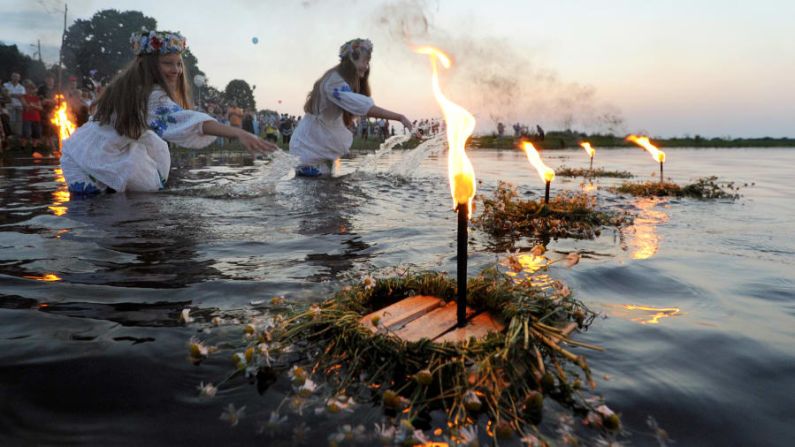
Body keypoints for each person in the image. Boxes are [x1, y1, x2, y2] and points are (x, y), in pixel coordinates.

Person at [60, 30, 276, 195]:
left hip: (84, 151)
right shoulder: (149, 95)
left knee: (109, 210)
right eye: (168, 63)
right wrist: (238, 133)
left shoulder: (126, 86)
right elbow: (189, 121)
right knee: (101, 213)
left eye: (178, 64)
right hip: (94, 158)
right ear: (148, 65)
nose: (176, 70)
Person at [289, 38, 412, 176]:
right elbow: (364, 107)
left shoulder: (339, 80)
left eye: (368, 62)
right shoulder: (334, 81)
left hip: (316, 144)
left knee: (328, 189)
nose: (366, 66)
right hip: (309, 148)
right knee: (319, 189)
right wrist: (400, 117)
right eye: (365, 61)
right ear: (352, 59)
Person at [20, 80, 43, 148]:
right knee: (26, 133)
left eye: (32, 89)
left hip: (36, 118)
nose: (30, 90)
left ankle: (34, 148)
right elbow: (25, 105)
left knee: (36, 134)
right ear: (26, 89)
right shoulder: (23, 97)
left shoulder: (36, 98)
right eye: (28, 88)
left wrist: (33, 106)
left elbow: (41, 108)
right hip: (27, 118)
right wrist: (35, 106)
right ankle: (22, 147)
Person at [3, 73, 25, 137]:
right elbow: (5, 95)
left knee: (19, 121)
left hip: (19, 106)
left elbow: (22, 96)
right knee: (10, 120)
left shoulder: (21, 87)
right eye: (14, 77)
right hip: (9, 105)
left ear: (19, 78)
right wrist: (16, 95)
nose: (15, 78)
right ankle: (9, 133)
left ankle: (17, 134)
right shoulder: (5, 85)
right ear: (11, 77)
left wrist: (11, 94)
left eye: (17, 77)